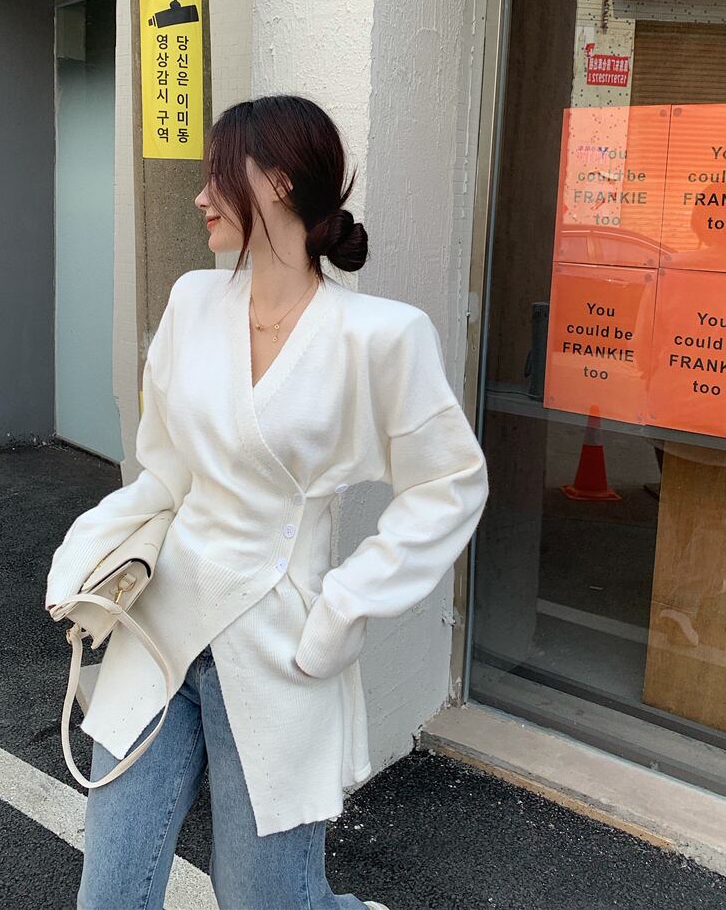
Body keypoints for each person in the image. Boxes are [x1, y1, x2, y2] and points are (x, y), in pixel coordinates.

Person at [45, 94, 489, 909]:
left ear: (279, 183)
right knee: (109, 894)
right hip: (160, 627)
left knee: (267, 902)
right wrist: (90, 547)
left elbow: (450, 483)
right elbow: (165, 473)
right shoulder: (192, 302)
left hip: (278, 646)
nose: (200, 197)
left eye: (219, 176)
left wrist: (346, 606)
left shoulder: (380, 336)